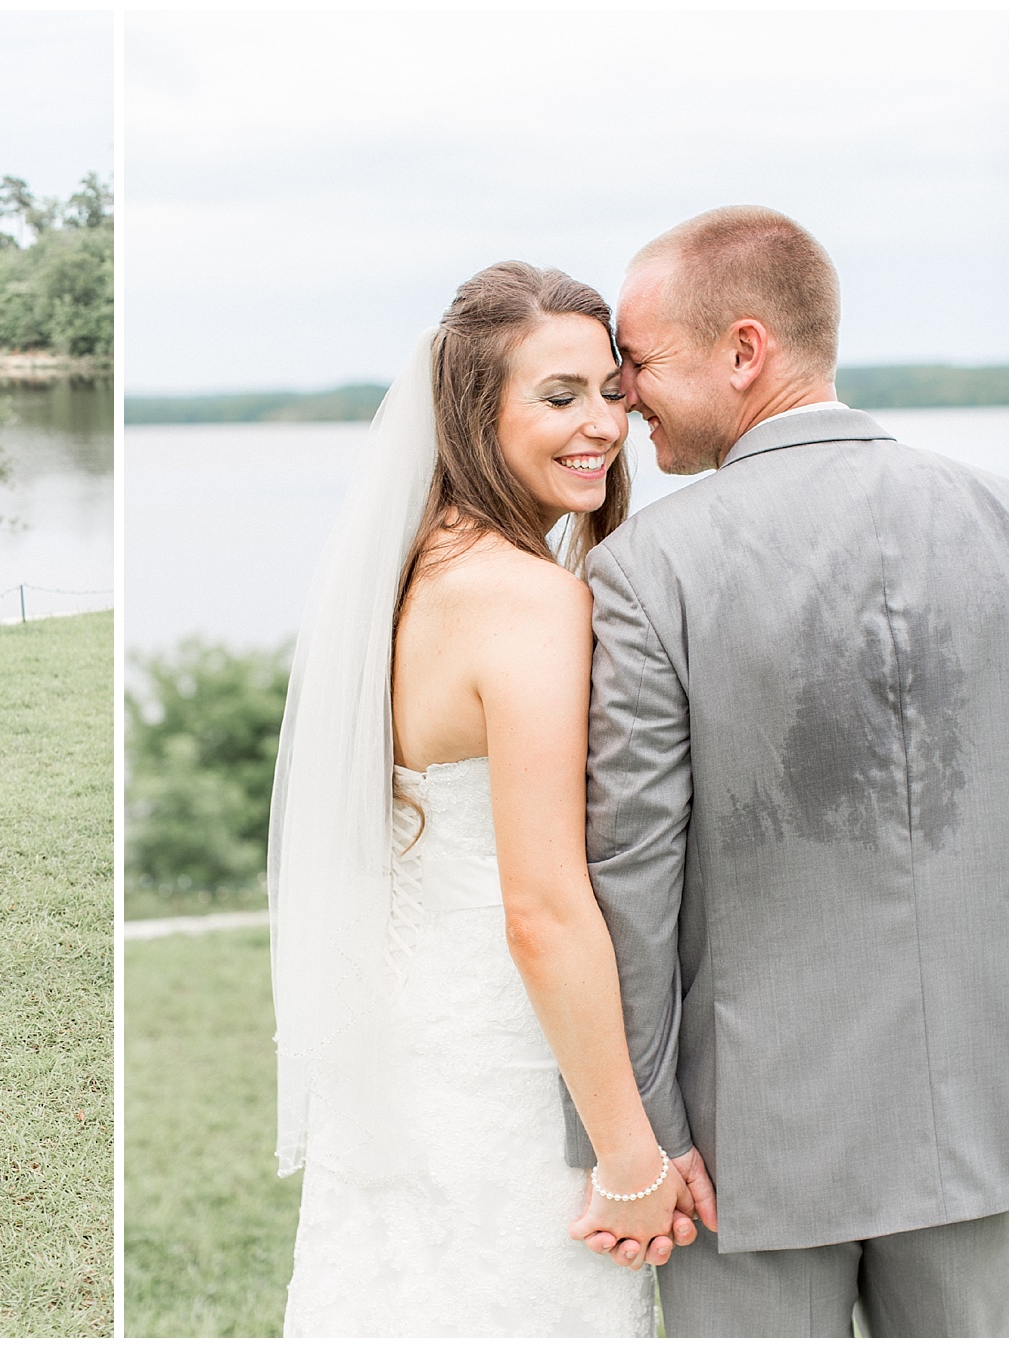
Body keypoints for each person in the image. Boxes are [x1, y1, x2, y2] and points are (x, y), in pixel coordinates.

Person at [568, 206, 1007, 1336]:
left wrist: (646, 1133)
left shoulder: (644, 569)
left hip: (750, 1148)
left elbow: (628, 875)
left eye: (638, 360)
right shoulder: (991, 515)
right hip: (989, 1113)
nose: (623, 393)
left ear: (745, 350)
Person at [272, 263, 700, 1337]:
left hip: (406, 1047)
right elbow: (543, 907)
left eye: (611, 389)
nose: (602, 422)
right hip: (506, 1070)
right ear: (476, 412)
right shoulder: (529, 598)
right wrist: (629, 1153)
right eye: (559, 396)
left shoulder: (415, 575)